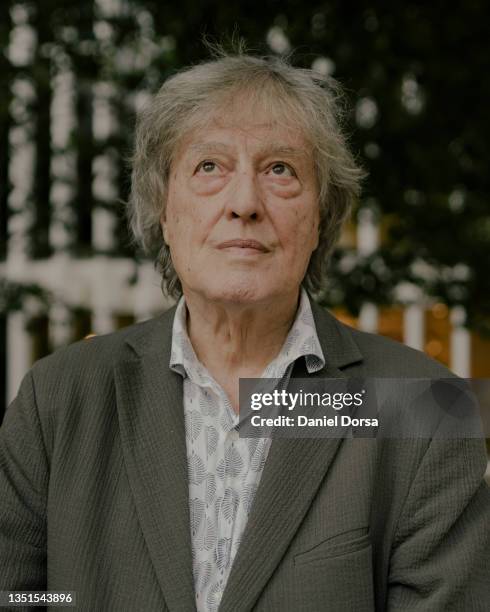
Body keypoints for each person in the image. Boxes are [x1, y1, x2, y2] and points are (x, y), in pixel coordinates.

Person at [1, 49, 489, 612]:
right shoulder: (59, 397)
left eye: (280, 170)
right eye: (209, 167)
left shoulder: (421, 406)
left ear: (321, 218)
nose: (244, 204)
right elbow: (22, 598)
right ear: (165, 209)